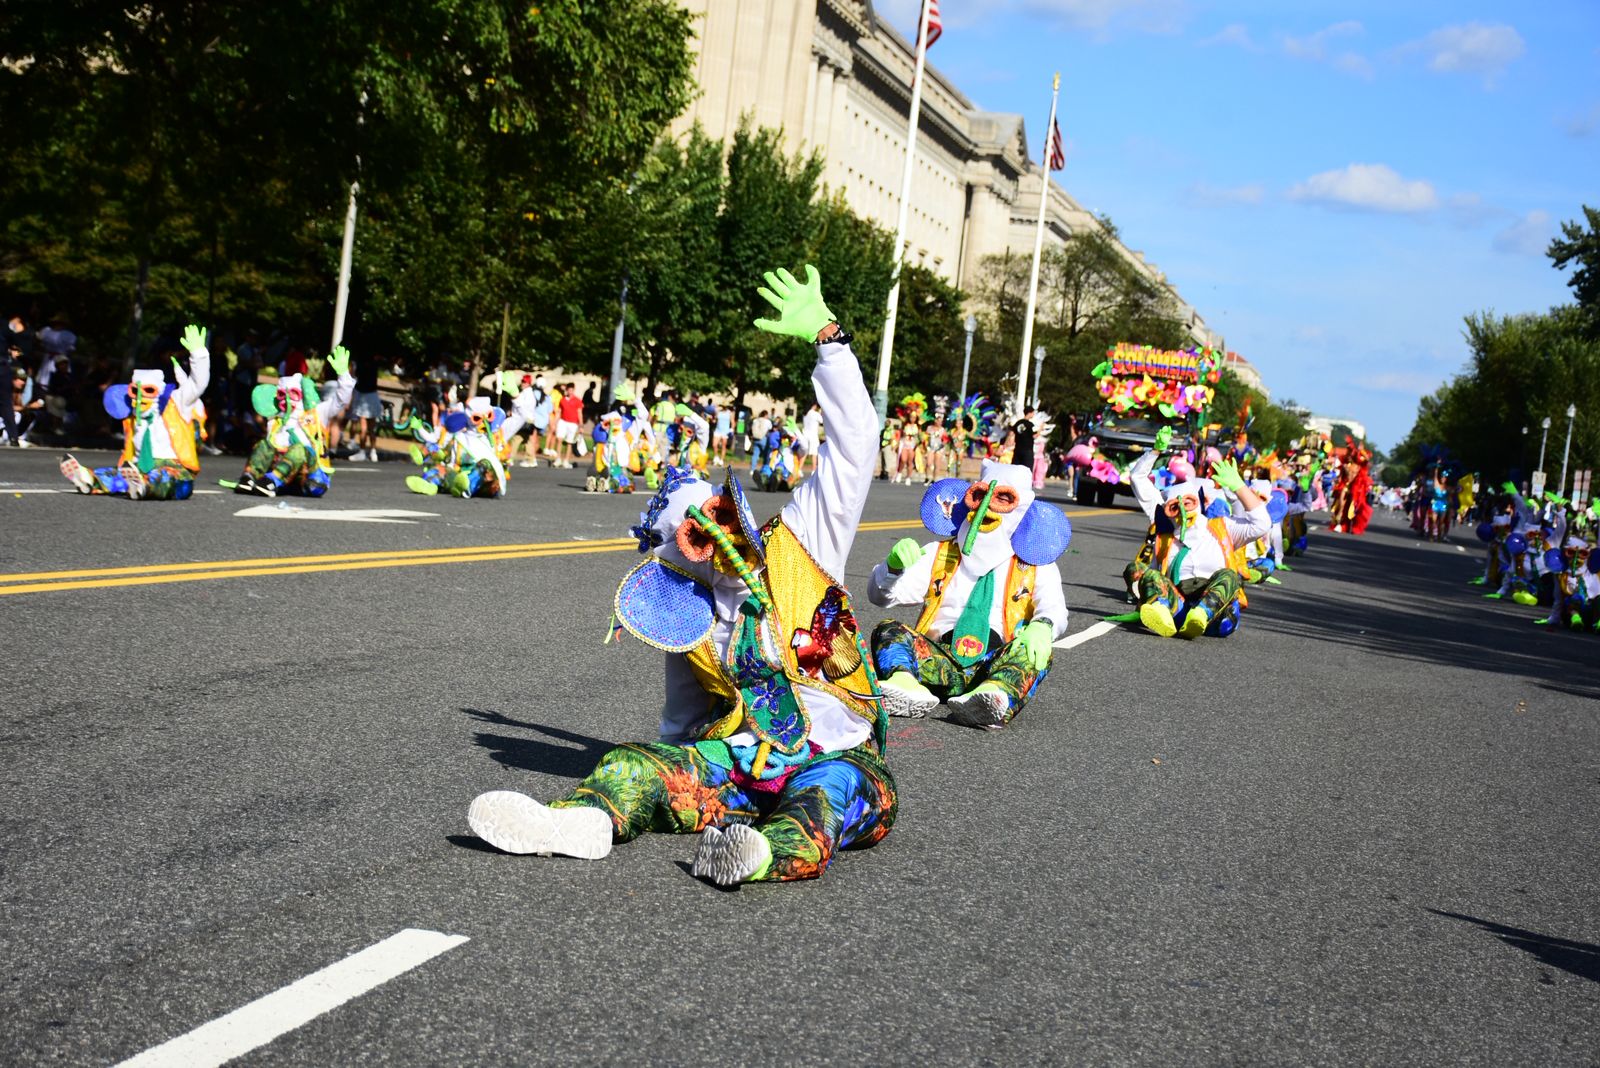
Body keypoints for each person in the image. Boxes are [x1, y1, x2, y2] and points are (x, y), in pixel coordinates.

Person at [466, 264, 895, 886]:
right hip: (743, 766)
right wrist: (670, 775)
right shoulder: (691, 618)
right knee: (635, 763)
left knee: (829, 794)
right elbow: (682, 724)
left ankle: (760, 854)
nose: (718, 536)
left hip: (841, 755)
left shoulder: (805, 541)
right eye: (697, 535)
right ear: (680, 555)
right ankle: (577, 823)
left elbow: (855, 447)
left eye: (718, 515)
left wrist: (829, 341)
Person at [867, 460, 1072, 730]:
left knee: (1036, 653)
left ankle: (993, 696)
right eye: (980, 496)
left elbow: (1054, 608)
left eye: (1002, 499)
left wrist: (1043, 627)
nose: (987, 508)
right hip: (939, 661)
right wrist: (892, 568)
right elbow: (881, 597)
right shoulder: (940, 552)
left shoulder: (1035, 564)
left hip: (993, 664)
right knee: (888, 630)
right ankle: (906, 684)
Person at [1125, 441, 1269, 638]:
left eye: (1188, 503)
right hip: (1180, 608)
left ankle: (1201, 614)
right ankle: (1162, 615)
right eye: (1175, 507)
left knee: (1228, 575)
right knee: (1145, 572)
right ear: (1167, 511)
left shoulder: (1222, 527)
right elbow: (1137, 479)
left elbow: (1262, 524)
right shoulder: (1166, 534)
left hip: (1219, 615)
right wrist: (1155, 451)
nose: (1183, 511)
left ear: (1199, 504)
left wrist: (1239, 487)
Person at [60, 325, 211, 500]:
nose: (141, 397)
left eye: (148, 390)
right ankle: (89, 480)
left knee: (166, 478)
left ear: (159, 392)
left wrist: (199, 354)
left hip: (174, 468)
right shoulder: (132, 414)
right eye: (135, 391)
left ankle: (144, 485)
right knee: (116, 474)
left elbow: (197, 384)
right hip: (139, 467)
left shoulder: (177, 403)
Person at [233, 346, 355, 497]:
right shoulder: (276, 420)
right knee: (264, 444)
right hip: (286, 477)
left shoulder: (317, 412)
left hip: (310, 478)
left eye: (292, 394)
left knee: (299, 449)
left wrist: (343, 374)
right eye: (282, 395)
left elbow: (341, 400)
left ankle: (272, 481)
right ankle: (249, 477)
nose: (287, 400)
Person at [345, 350, 383, 462]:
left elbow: (355, 379)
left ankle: (362, 451)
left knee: (363, 428)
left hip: (364, 397)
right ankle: (373, 452)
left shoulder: (361, 367)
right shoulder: (374, 366)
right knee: (372, 428)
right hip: (374, 396)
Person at [555, 382, 583, 469]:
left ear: (573, 390)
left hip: (573, 423)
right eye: (569, 390)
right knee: (559, 439)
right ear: (567, 390)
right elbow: (559, 411)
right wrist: (555, 422)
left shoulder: (577, 400)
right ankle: (558, 458)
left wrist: (581, 425)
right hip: (563, 421)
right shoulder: (563, 400)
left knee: (569, 442)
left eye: (572, 390)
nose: (570, 392)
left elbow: (579, 413)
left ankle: (566, 460)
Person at [800, 401, 824, 477]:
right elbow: (822, 421)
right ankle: (813, 470)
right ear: (814, 405)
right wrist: (820, 412)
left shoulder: (805, 414)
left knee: (804, 453)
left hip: (805, 435)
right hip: (813, 435)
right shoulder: (815, 414)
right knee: (814, 453)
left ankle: (799, 469)